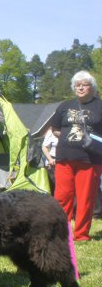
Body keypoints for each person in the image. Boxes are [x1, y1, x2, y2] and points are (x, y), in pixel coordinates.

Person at [50, 70, 102, 242]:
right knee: (62, 197)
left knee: (86, 198)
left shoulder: (99, 106)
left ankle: (81, 235)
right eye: (77, 85)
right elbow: (55, 129)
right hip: (64, 157)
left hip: (90, 159)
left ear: (92, 88)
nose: (80, 88)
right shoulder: (65, 105)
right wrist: (68, 138)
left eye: (84, 85)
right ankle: (60, 234)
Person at [42, 126, 58, 194]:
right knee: (53, 186)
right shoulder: (50, 132)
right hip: (52, 162)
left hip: (64, 161)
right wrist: (50, 159)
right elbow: (44, 147)